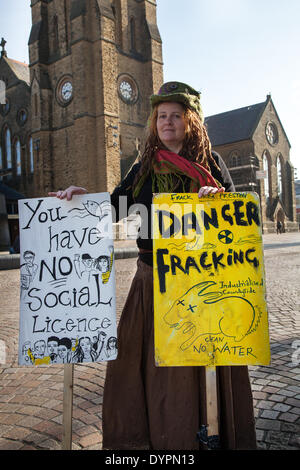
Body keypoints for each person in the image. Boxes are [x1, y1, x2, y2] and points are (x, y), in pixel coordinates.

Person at [49, 81, 257, 450]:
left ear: (190, 121)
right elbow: (116, 206)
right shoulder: (144, 165)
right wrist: (77, 199)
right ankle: (158, 439)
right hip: (152, 283)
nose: (168, 122)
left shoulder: (210, 162)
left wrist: (217, 197)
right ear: (154, 122)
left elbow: (237, 217)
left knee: (198, 365)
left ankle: (208, 431)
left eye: (176, 116)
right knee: (143, 365)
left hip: (201, 284)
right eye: (162, 116)